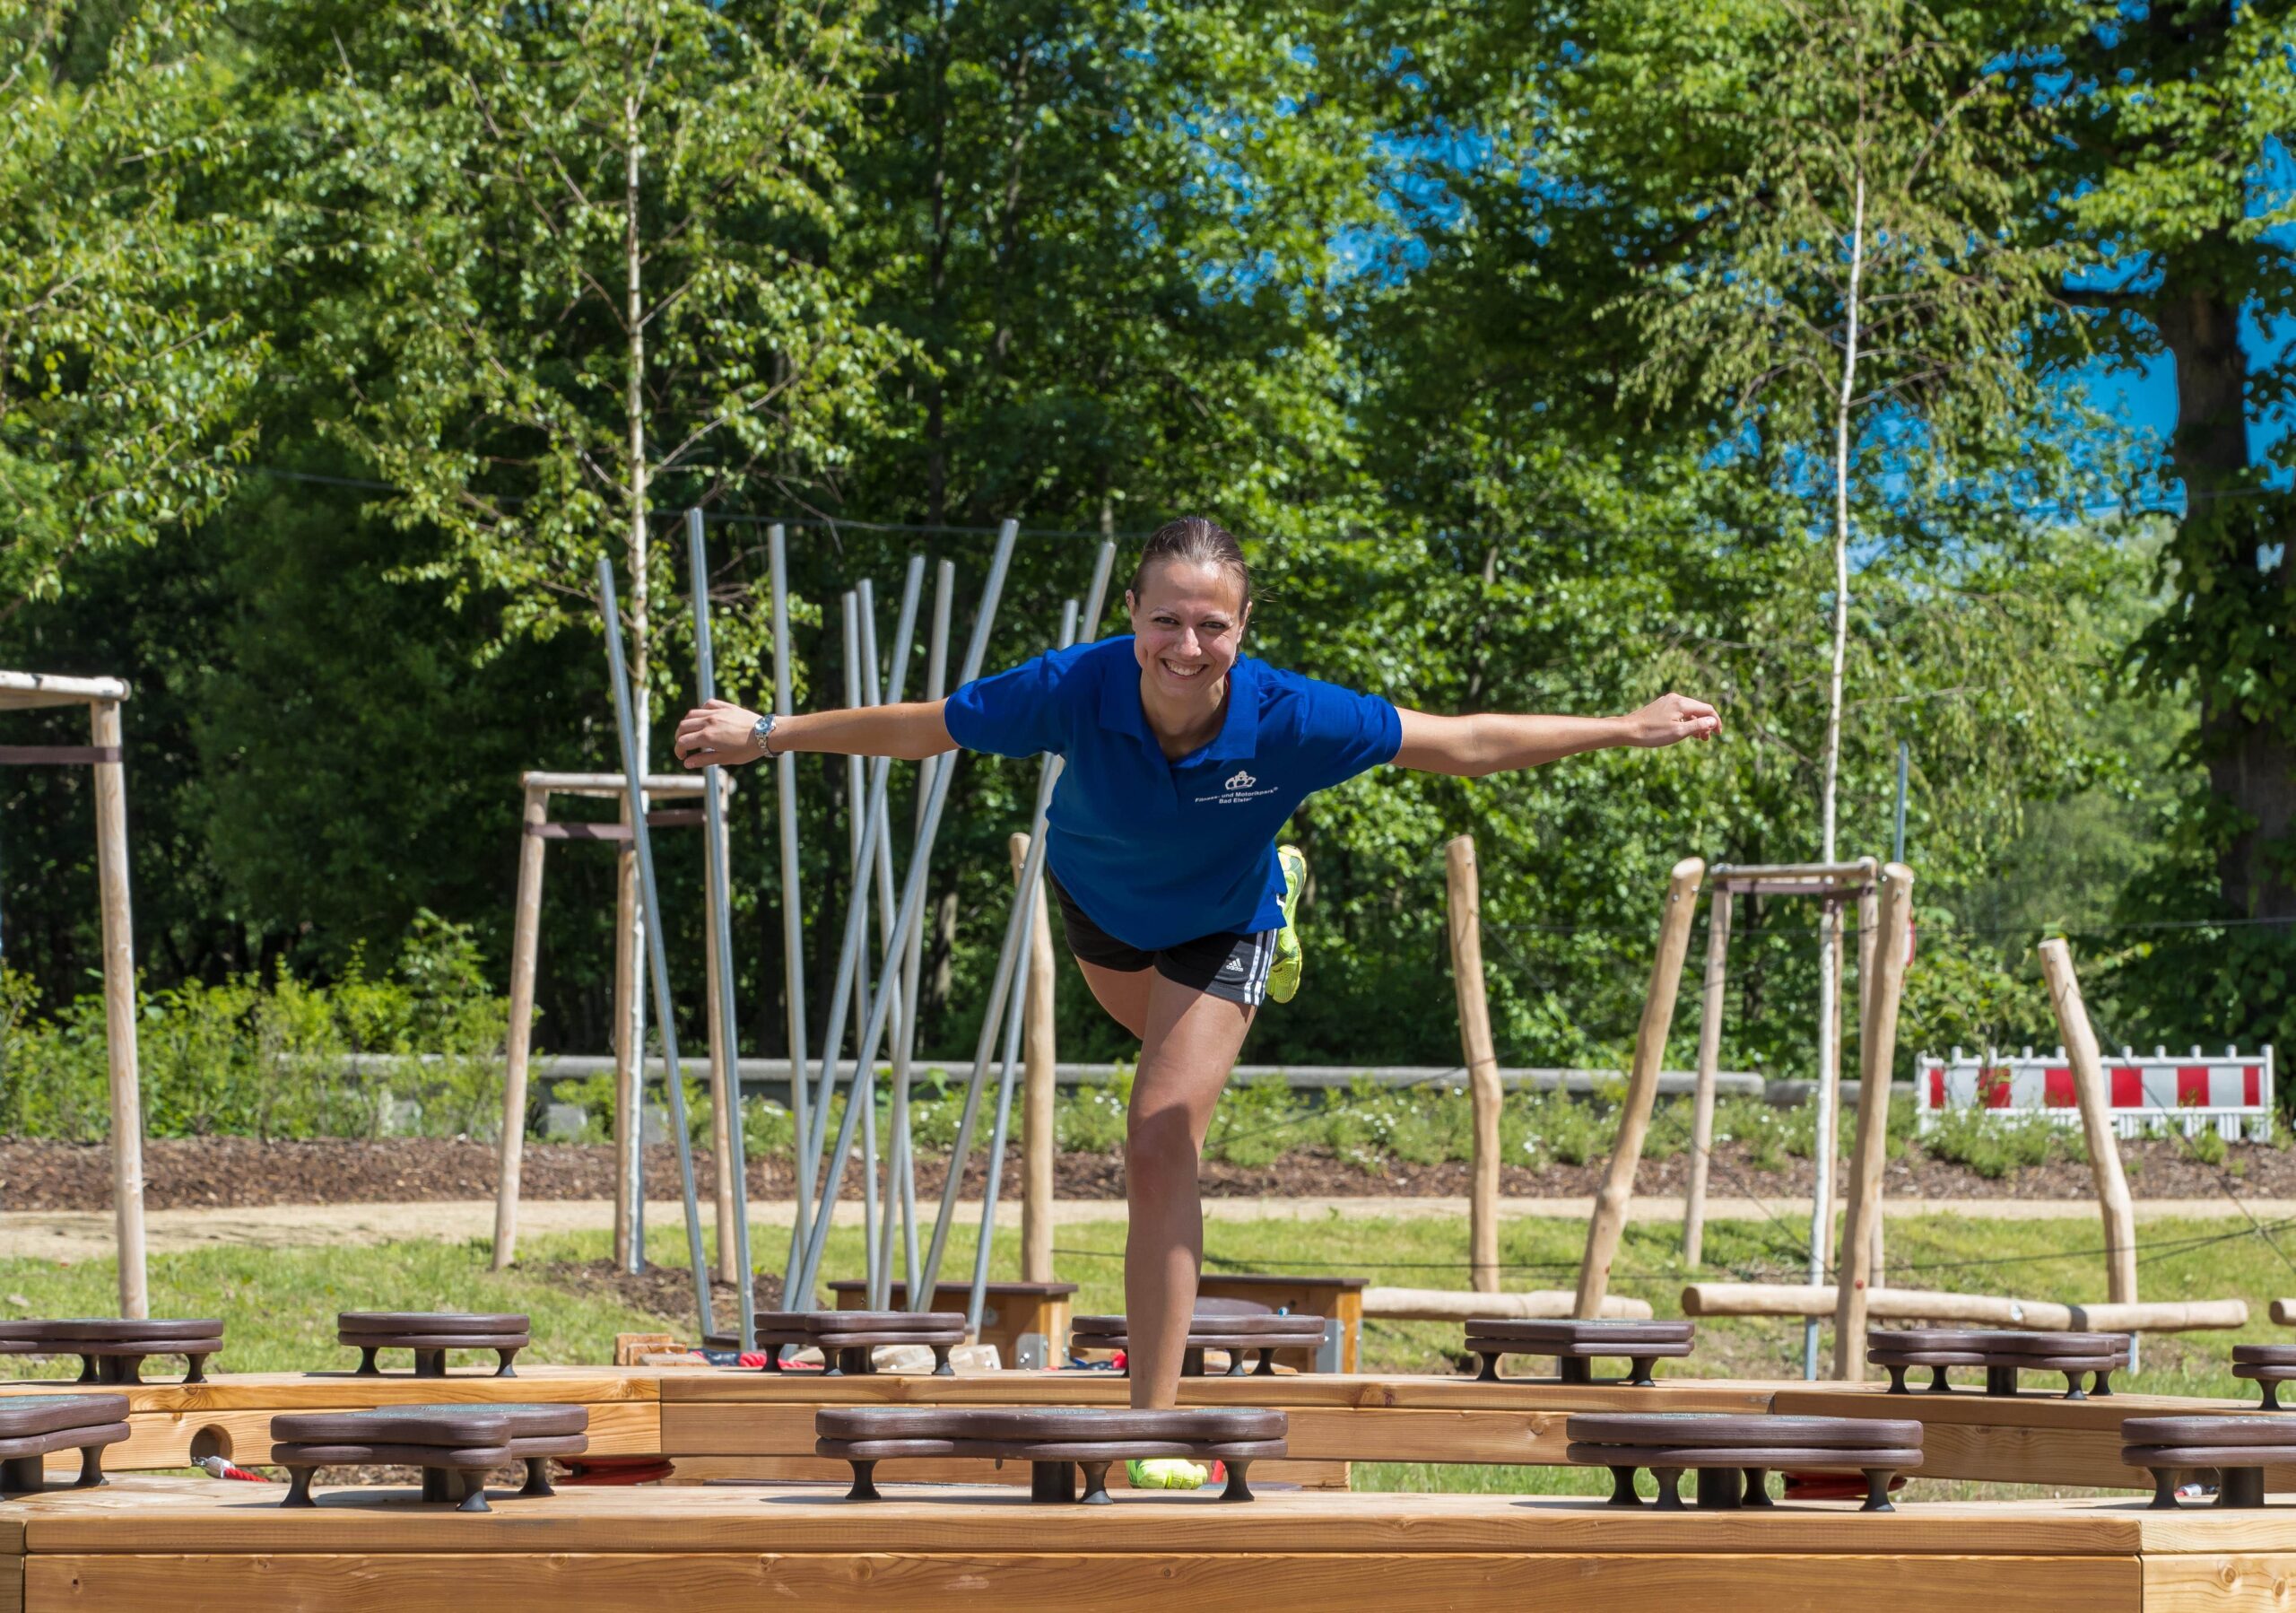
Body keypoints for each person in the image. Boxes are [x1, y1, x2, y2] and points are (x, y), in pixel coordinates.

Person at [674, 516, 1719, 1417]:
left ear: (1242, 629)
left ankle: (1151, 1415)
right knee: (1158, 1077)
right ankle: (1261, 940)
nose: (1187, 644)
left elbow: (1464, 740)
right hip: (1103, 916)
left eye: (1212, 624)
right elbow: (926, 727)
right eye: (1166, 620)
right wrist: (767, 734)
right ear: (1133, 616)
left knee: (1158, 1136)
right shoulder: (1073, 686)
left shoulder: (1293, 715)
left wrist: (1623, 727)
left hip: (1223, 924)